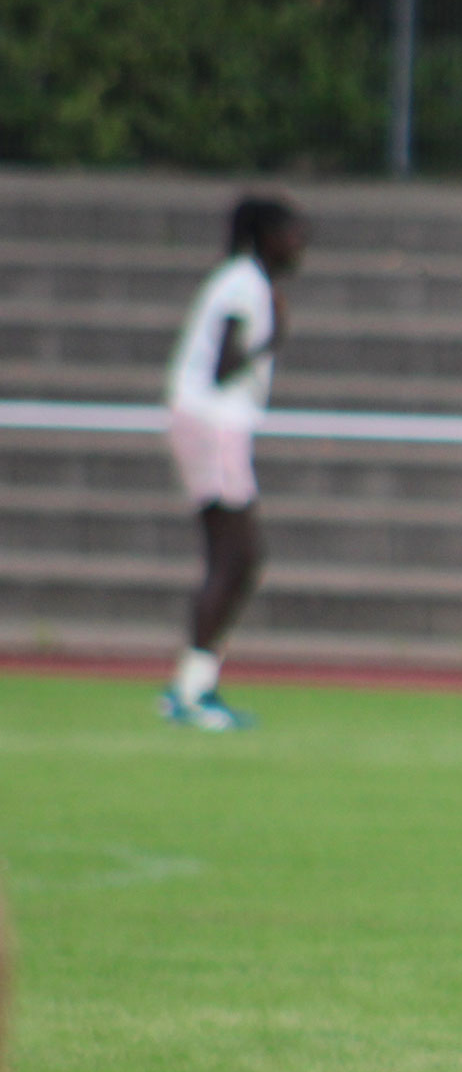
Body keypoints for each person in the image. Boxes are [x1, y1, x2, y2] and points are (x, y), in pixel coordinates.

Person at [158, 194, 306, 730]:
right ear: (264, 236)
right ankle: (193, 691)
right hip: (213, 420)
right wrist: (272, 341)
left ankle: (195, 682)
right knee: (236, 556)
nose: (300, 244)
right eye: (291, 234)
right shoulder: (244, 283)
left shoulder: (242, 280)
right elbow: (222, 365)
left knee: (235, 558)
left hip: (208, 420)